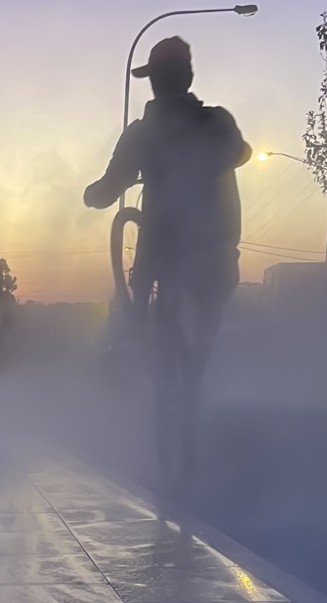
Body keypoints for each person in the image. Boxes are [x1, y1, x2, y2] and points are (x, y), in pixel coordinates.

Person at [84, 35, 250, 485]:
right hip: (217, 258)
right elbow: (242, 152)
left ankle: (171, 377)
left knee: (158, 330)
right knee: (200, 333)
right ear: (189, 79)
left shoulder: (144, 133)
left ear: (154, 84)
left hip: (168, 255)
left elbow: (107, 188)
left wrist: (94, 196)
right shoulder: (215, 121)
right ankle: (189, 380)